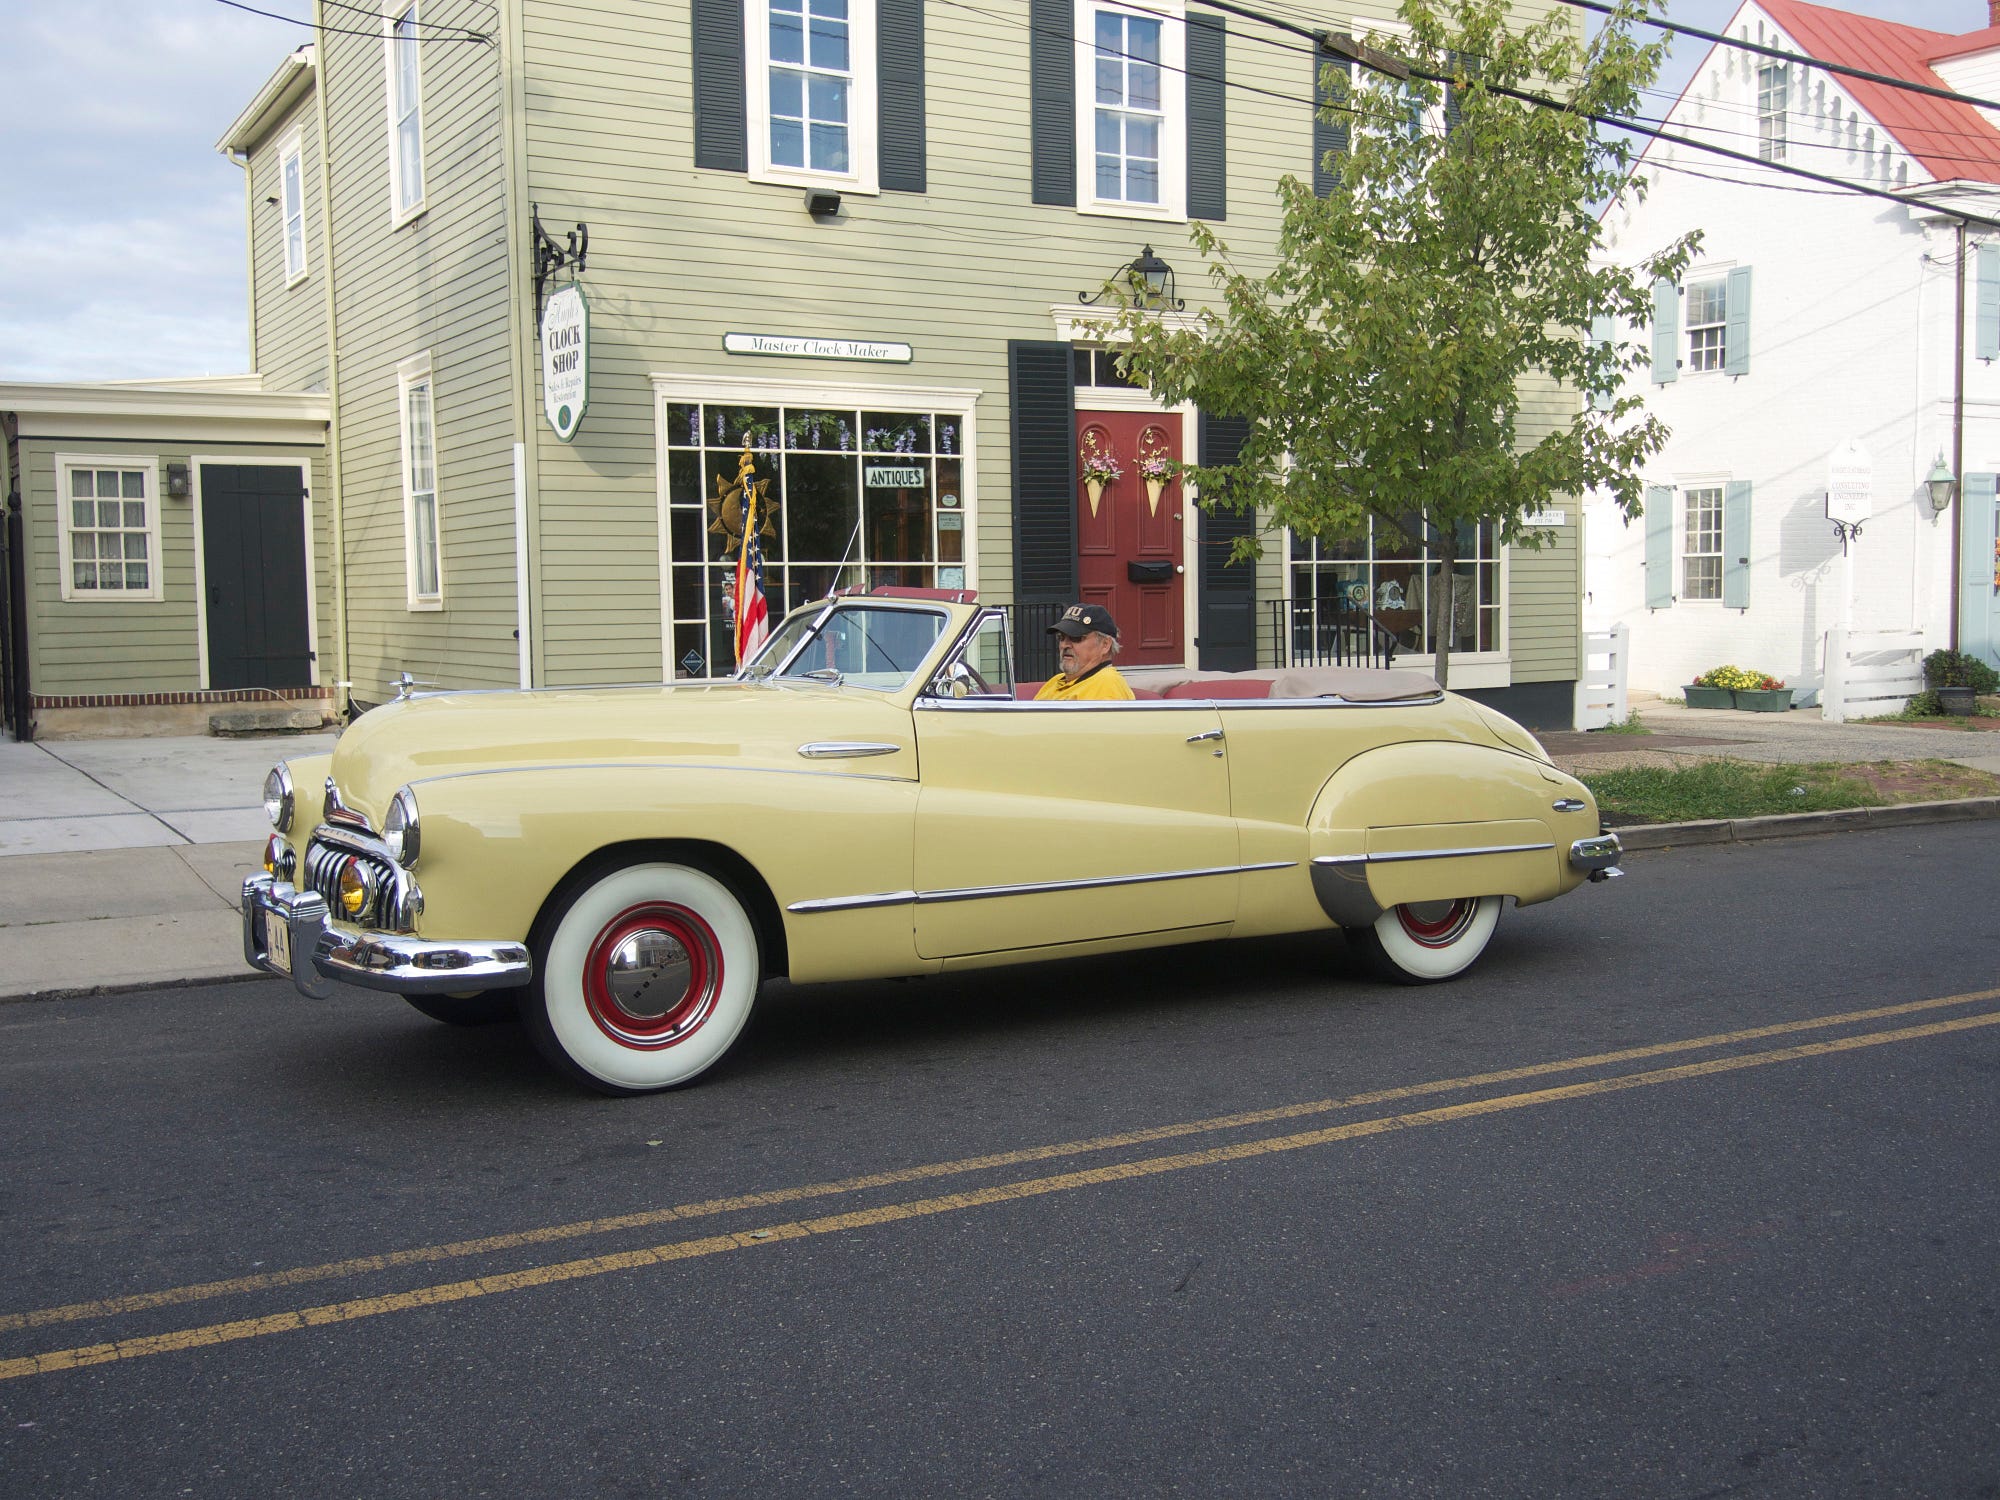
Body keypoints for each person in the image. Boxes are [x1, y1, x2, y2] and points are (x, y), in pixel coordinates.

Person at [1035, 603, 1135, 700]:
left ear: (1105, 644)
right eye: (1061, 637)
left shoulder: (1107, 685)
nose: (1064, 645)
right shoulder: (1056, 680)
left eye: (1076, 638)